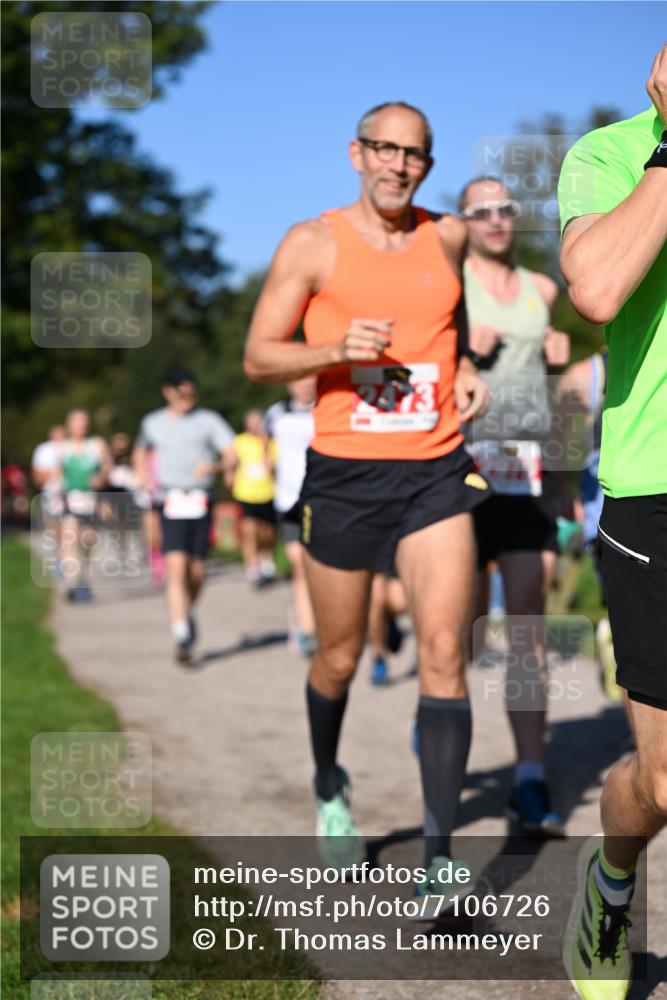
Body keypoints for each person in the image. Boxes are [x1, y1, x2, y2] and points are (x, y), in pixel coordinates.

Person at [244, 100, 491, 908]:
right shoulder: (311, 242)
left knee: (444, 650)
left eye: (412, 154)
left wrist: (463, 367)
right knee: (340, 657)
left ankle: (438, 859)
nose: (397, 165)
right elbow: (257, 357)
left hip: (434, 471)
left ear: (427, 165)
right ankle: (328, 783)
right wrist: (332, 351)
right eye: (383, 149)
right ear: (356, 153)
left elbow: (452, 319)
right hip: (345, 477)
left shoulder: (447, 236)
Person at [557, 45, 667, 1000]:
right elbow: (594, 291)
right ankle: (611, 878)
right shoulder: (610, 154)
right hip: (653, 491)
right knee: (664, 783)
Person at [459, 175, 571, 837]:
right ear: (464, 222)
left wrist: (554, 359)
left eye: (505, 209)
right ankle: (440, 728)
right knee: (459, 627)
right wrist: (461, 353)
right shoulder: (450, 289)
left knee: (526, 627)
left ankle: (529, 777)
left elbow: (544, 386)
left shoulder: (542, 290)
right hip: (461, 471)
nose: (496, 219)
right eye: (482, 211)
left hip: (524, 472)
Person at [133, 366, 235, 664]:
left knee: (197, 571)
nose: (187, 398)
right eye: (181, 392)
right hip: (170, 498)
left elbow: (232, 453)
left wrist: (216, 466)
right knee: (175, 566)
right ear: (168, 392)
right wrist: (141, 474)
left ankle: (186, 611)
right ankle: (181, 635)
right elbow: (140, 452)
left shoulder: (208, 420)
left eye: (191, 392)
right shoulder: (153, 422)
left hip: (201, 499)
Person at [556, 349, 622, 702]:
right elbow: (556, 435)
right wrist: (566, 493)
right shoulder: (588, 373)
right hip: (607, 510)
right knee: (633, 615)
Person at [264, 376, 318, 656]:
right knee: (301, 565)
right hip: (289, 500)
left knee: (321, 568)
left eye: (311, 380)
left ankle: (307, 616)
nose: (306, 385)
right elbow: (265, 446)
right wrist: (269, 467)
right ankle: (307, 630)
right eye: (300, 380)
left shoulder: (327, 408)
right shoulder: (276, 413)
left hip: (323, 499)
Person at [59, 409, 111, 602]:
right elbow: (55, 473)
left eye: (83, 422)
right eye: (76, 422)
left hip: (92, 499)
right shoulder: (63, 447)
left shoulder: (97, 444)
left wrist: (101, 478)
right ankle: (71, 583)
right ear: (69, 425)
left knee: (88, 541)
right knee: (70, 540)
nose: (80, 425)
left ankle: (83, 578)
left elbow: (108, 467)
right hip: (70, 499)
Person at [226, 409, 278, 586]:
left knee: (268, 533)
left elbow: (272, 466)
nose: (255, 426)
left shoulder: (271, 442)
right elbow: (231, 460)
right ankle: (252, 566)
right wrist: (229, 474)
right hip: (245, 492)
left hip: (267, 492)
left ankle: (266, 556)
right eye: (252, 422)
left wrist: (265, 447)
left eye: (258, 422)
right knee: (249, 531)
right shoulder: (239, 441)